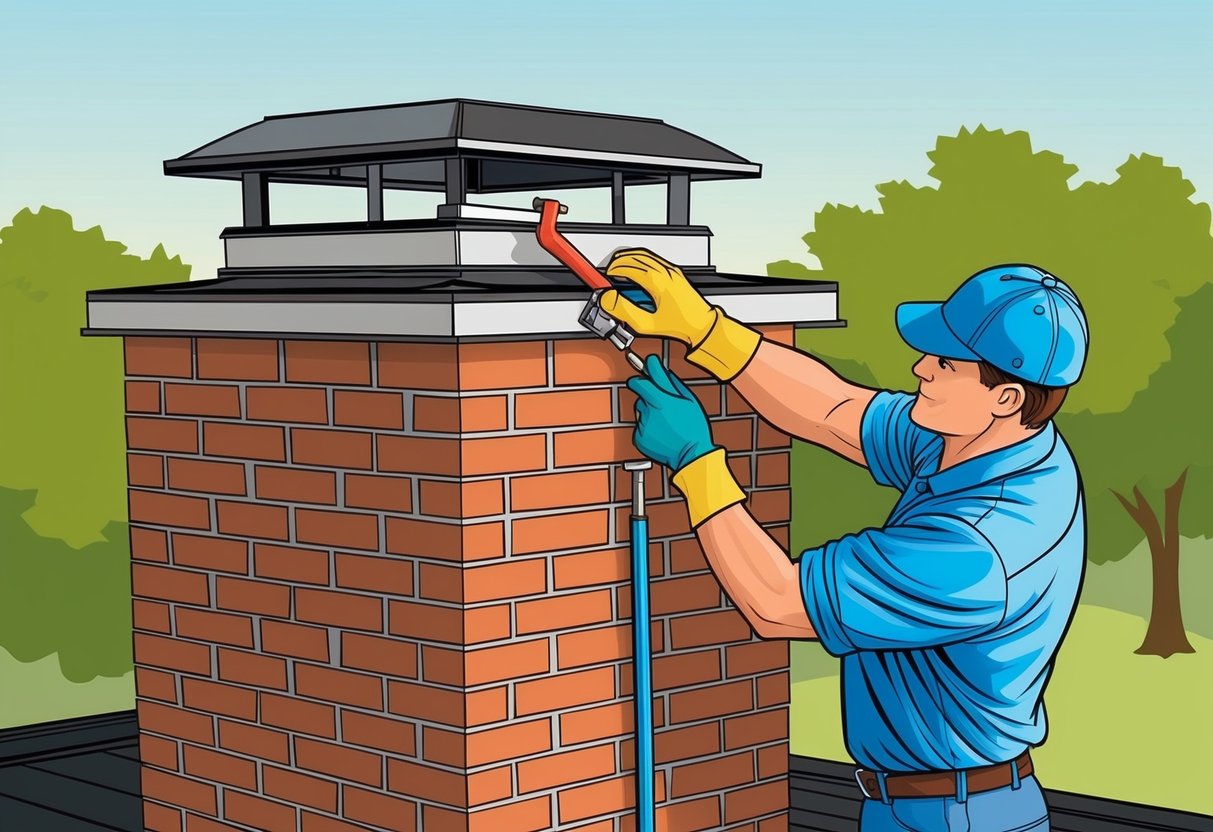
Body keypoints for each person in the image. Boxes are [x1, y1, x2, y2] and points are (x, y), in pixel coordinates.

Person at [602, 251, 1090, 832]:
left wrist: (696, 462)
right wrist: (702, 328)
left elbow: (778, 603)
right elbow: (835, 409)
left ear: (1005, 397)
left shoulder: (978, 549)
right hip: (930, 804)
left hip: (953, 817)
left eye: (944, 362)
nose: (920, 370)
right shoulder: (988, 444)